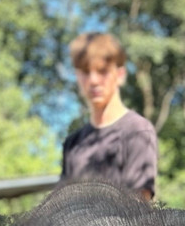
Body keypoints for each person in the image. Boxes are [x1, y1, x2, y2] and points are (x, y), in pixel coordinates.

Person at [61, 32, 158, 201]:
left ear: (120, 75)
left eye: (102, 71)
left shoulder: (138, 131)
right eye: (85, 72)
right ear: (77, 76)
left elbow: (138, 209)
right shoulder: (73, 144)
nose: (93, 80)